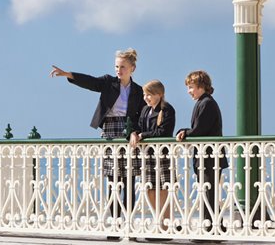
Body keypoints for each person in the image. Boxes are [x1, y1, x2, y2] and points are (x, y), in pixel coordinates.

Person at [50, 48, 145, 219]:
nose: (118, 70)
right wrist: (68, 74)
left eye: (122, 67)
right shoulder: (109, 82)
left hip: (129, 131)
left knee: (129, 180)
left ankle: (129, 224)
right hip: (109, 130)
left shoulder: (138, 90)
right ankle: (115, 223)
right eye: (116, 66)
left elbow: (141, 115)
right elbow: (91, 82)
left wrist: (136, 132)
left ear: (132, 69)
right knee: (113, 181)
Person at [176, 70, 229, 234]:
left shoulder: (206, 103)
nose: (189, 91)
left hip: (209, 157)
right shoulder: (204, 102)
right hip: (207, 156)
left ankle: (211, 228)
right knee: (207, 192)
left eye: (191, 87)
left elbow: (200, 130)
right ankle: (214, 227)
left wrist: (185, 132)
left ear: (201, 86)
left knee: (208, 192)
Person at [129, 80, 175, 233]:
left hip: (162, 155)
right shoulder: (145, 110)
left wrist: (142, 135)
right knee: (150, 188)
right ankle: (158, 221)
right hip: (147, 156)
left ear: (159, 95)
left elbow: (164, 132)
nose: (145, 98)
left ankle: (166, 225)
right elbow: (138, 126)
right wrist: (134, 133)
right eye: (144, 94)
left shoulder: (167, 110)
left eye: (149, 94)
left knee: (163, 189)